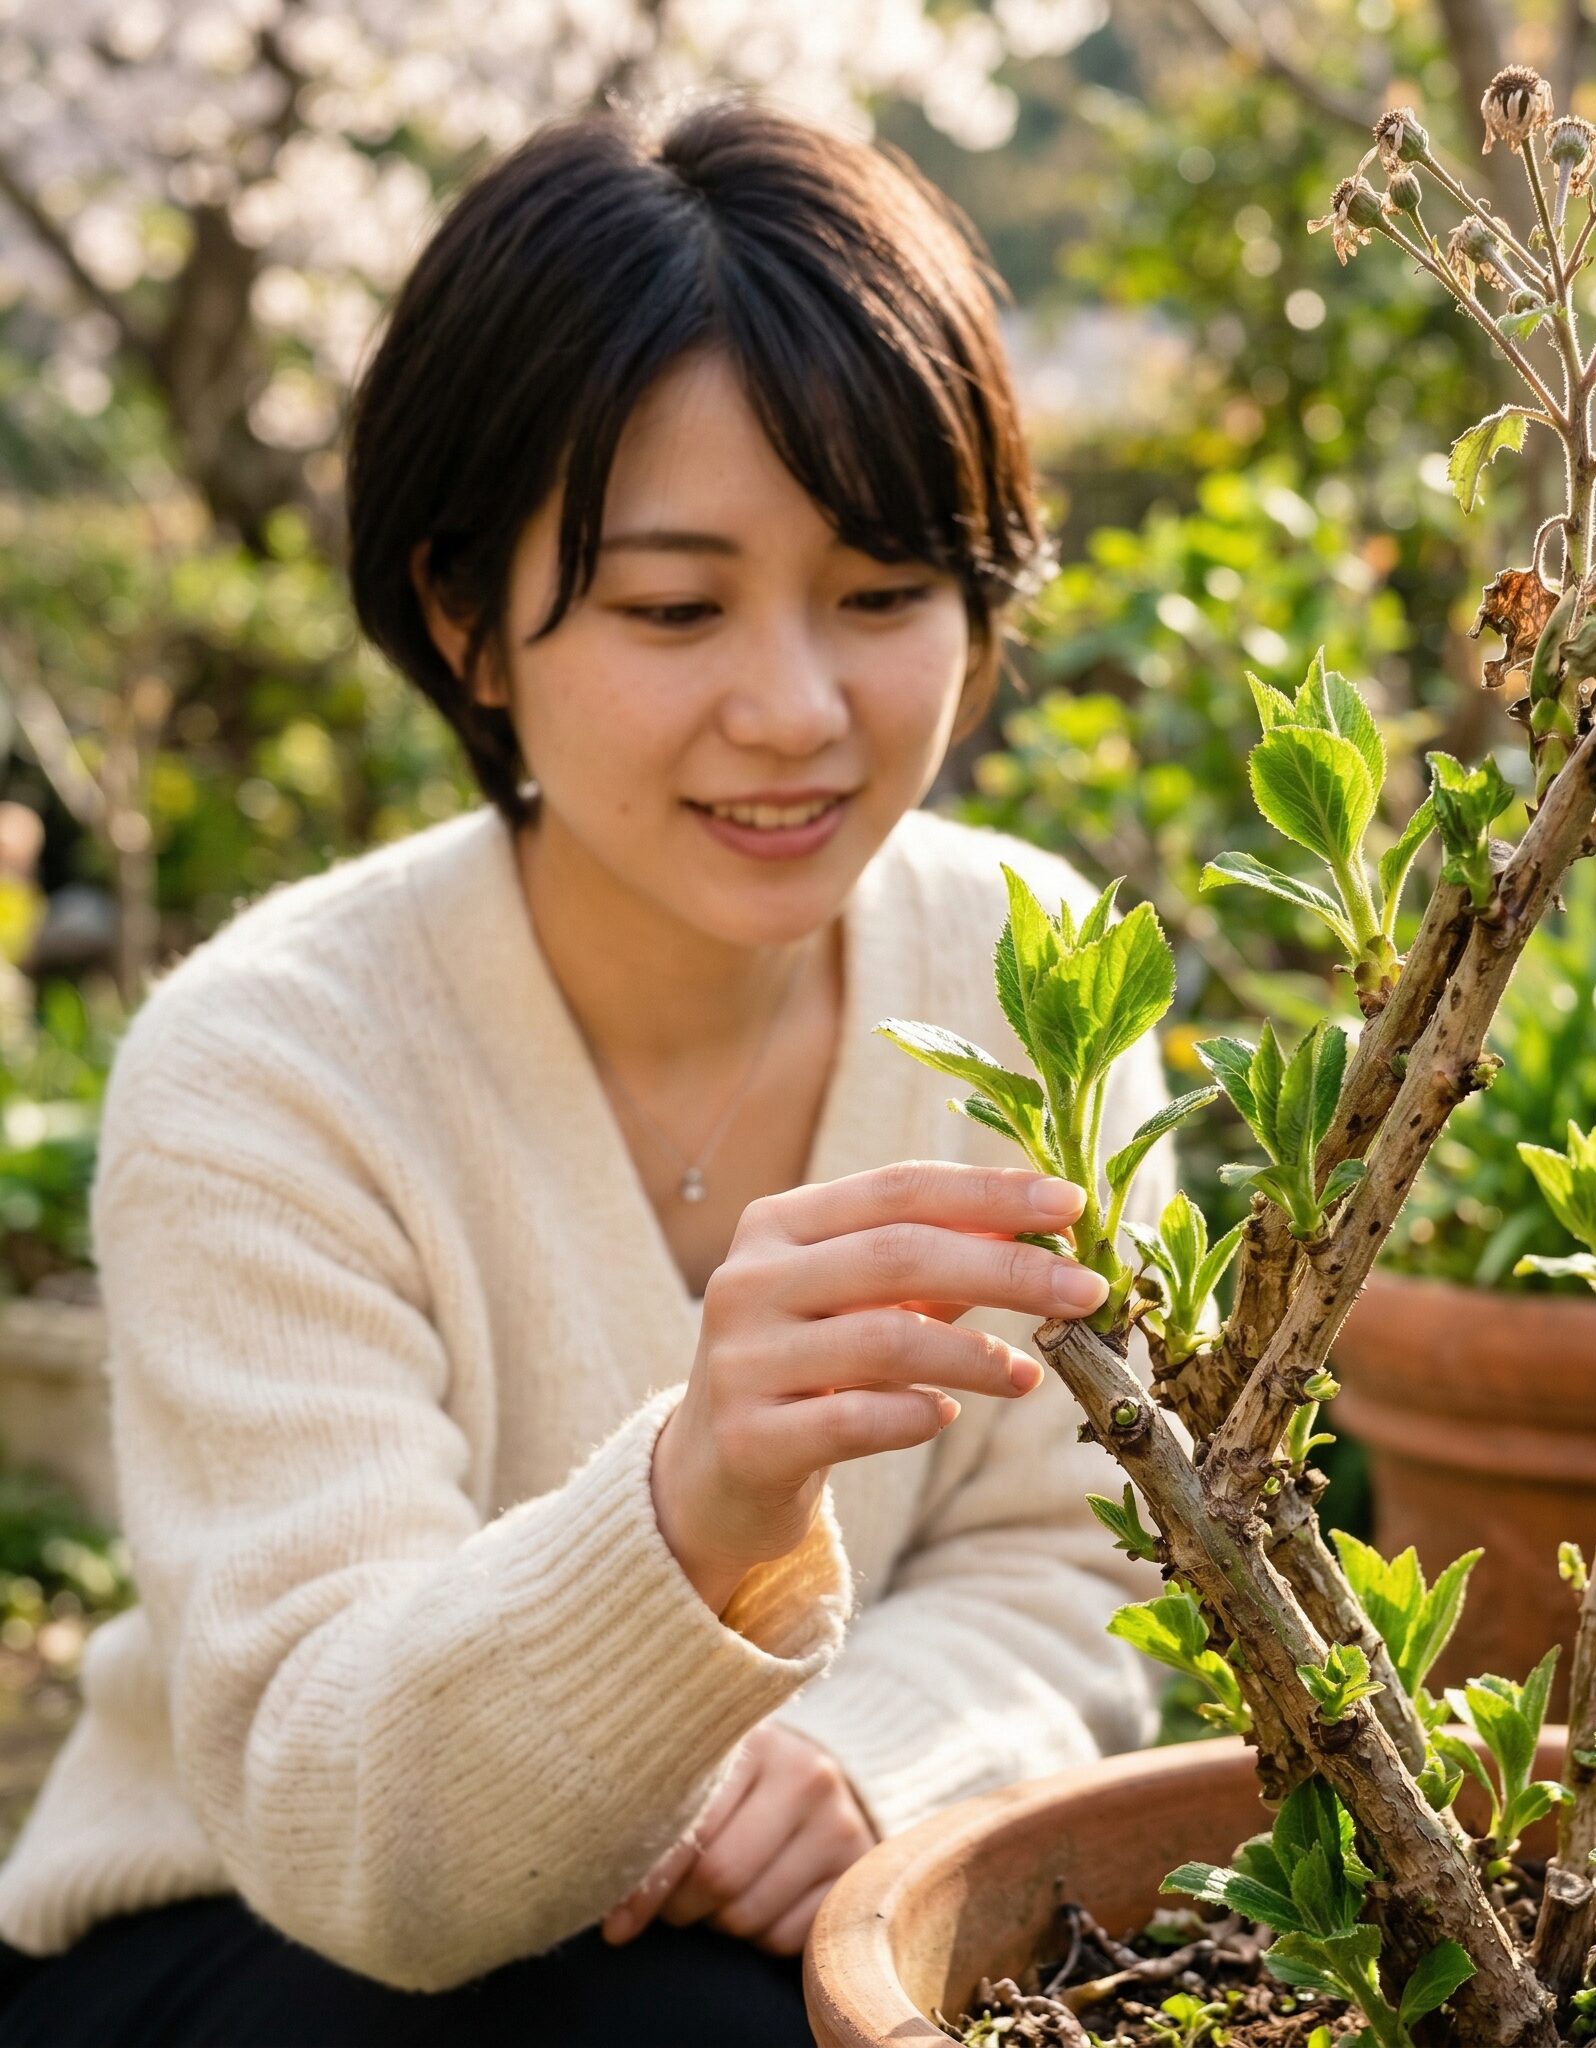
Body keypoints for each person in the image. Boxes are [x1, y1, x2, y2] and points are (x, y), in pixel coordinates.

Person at [0, 94, 1175, 2046]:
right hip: (251, 1950)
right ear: (467, 619)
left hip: (754, 1927)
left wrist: (868, 1751)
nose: (796, 708)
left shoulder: (1022, 972)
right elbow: (341, 1815)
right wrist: (692, 1503)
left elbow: (1076, 1552)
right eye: (671, 605)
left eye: (882, 593)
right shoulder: (271, 1063)